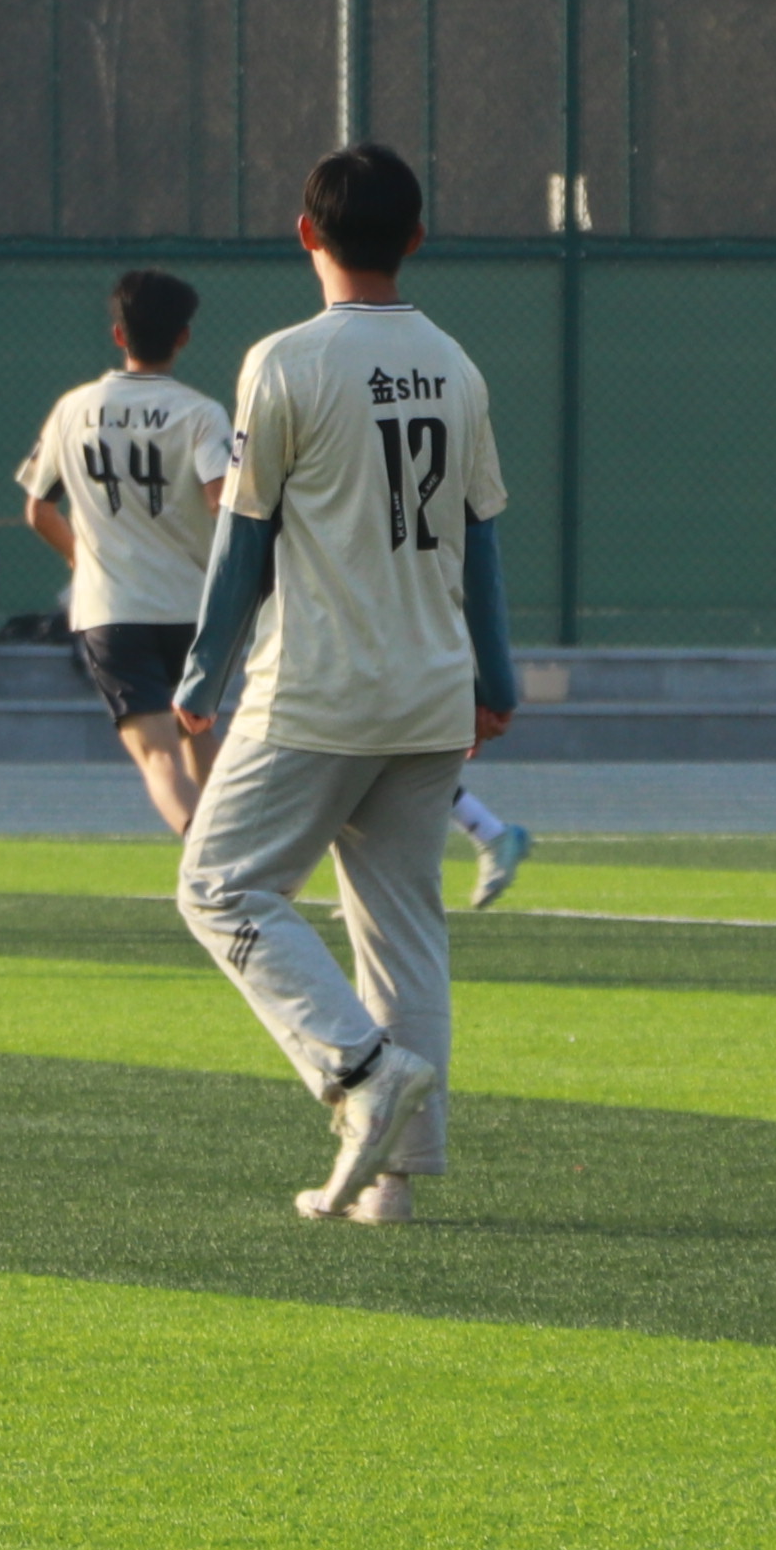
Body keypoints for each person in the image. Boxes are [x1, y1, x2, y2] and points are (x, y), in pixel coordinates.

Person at [171, 142, 512, 1225]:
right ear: (417, 238)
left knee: (217, 886)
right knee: (403, 927)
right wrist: (495, 677)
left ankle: (360, 1070)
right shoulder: (456, 365)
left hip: (319, 687)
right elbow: (481, 537)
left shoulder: (284, 361)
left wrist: (201, 672)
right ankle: (393, 1186)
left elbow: (244, 535)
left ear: (305, 233)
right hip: (432, 689)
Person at [23, 267, 242, 837]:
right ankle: (233, 852)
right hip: (192, 607)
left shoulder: (74, 409)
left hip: (114, 610)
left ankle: (203, 853)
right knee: (199, 732)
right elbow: (223, 501)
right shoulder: (201, 413)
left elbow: (39, 510)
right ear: (183, 337)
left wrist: (81, 559)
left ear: (119, 334)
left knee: (158, 755)